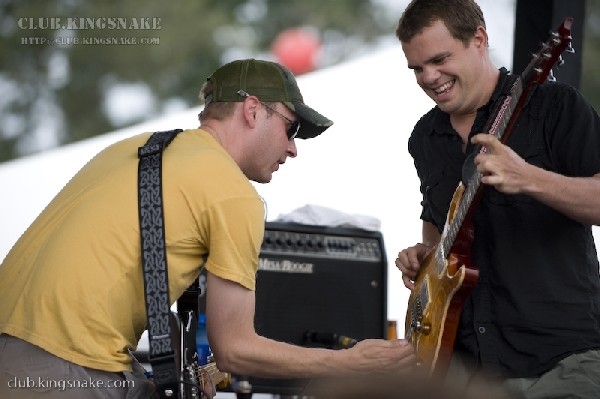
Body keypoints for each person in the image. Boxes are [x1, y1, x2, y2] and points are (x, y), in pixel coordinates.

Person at [0, 58, 416, 399]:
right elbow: (235, 351)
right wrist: (349, 363)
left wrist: (174, 373)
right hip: (67, 365)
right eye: (291, 129)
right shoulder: (232, 194)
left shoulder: (136, 148)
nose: (292, 148)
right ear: (252, 110)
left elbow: (119, 277)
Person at [394, 0, 600, 398]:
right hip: (465, 368)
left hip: (561, 360)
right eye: (417, 68)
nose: (429, 77)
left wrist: (528, 178)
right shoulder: (424, 137)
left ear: (479, 39)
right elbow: (440, 227)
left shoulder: (556, 108)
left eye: (439, 60)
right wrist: (426, 261)